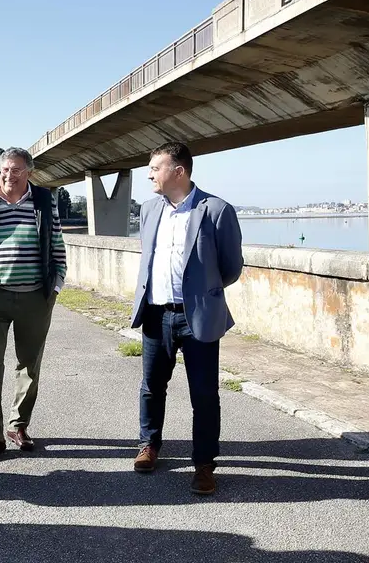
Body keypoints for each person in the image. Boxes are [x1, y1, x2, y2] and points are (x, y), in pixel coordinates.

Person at [130, 141, 243, 495]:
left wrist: (202, 293)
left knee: (205, 395)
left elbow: (231, 267)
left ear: (178, 171)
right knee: (151, 387)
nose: (149, 174)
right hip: (156, 314)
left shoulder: (216, 210)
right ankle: (149, 446)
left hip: (199, 317)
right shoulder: (149, 210)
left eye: (155, 168)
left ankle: (204, 465)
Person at [0, 147, 66, 461]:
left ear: (28, 172)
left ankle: (18, 425)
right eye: (5, 169)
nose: (9, 175)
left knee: (29, 366)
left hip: (36, 296)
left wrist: (56, 285)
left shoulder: (44, 201)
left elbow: (57, 244)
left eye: (16, 169)